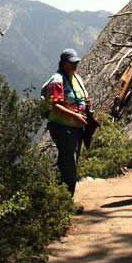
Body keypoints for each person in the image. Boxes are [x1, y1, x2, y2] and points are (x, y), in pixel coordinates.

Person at [43, 48, 91, 200]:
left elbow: (77, 97)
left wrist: (84, 103)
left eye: (76, 62)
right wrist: (75, 115)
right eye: (72, 63)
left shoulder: (75, 77)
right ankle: (66, 201)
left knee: (69, 161)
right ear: (63, 63)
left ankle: (61, 197)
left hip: (75, 126)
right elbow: (54, 105)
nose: (75, 65)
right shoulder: (57, 80)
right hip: (63, 126)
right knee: (70, 164)